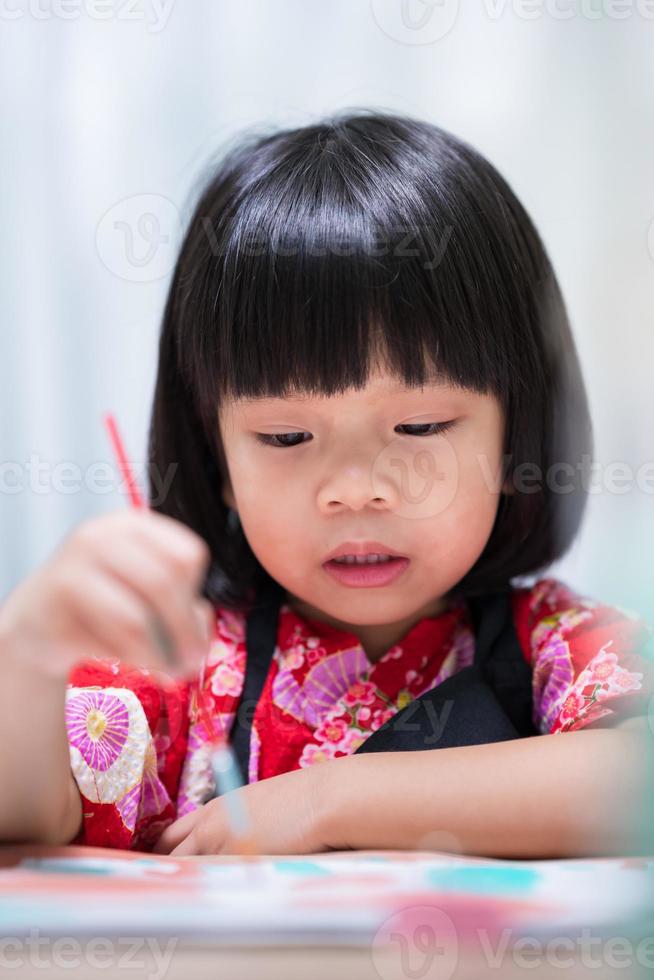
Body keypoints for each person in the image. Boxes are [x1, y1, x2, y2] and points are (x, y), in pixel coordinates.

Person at [1, 111, 652, 859]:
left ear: (516, 438)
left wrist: (331, 799)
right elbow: (22, 817)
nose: (354, 490)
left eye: (421, 427)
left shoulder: (555, 644)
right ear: (216, 462)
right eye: (285, 438)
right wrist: (24, 651)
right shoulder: (180, 661)